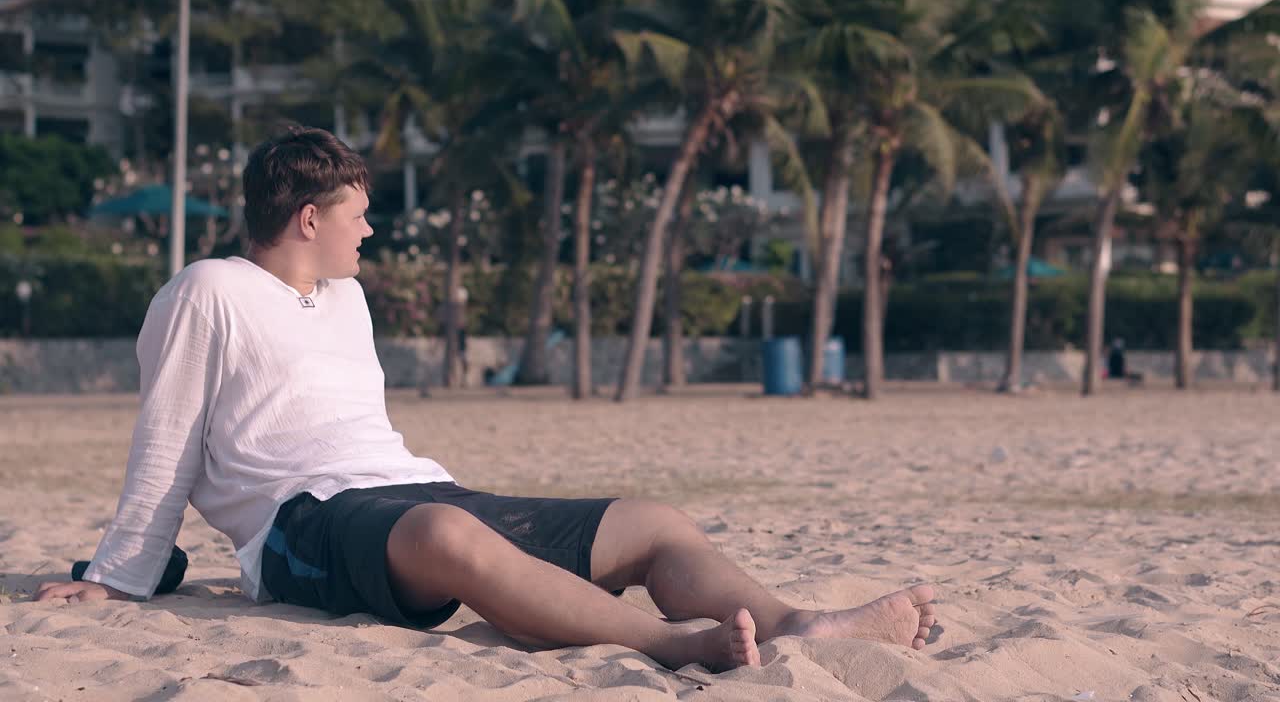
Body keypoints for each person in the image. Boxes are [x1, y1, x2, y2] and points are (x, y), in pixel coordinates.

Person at [34, 127, 937, 672]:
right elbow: (167, 439)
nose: (371, 228)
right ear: (308, 217)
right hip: (300, 528)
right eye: (358, 212)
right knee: (446, 536)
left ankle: (795, 624)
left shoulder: (345, 300)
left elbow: (368, 443)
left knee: (651, 521)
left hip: (412, 492)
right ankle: (669, 645)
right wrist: (120, 575)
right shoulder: (207, 290)